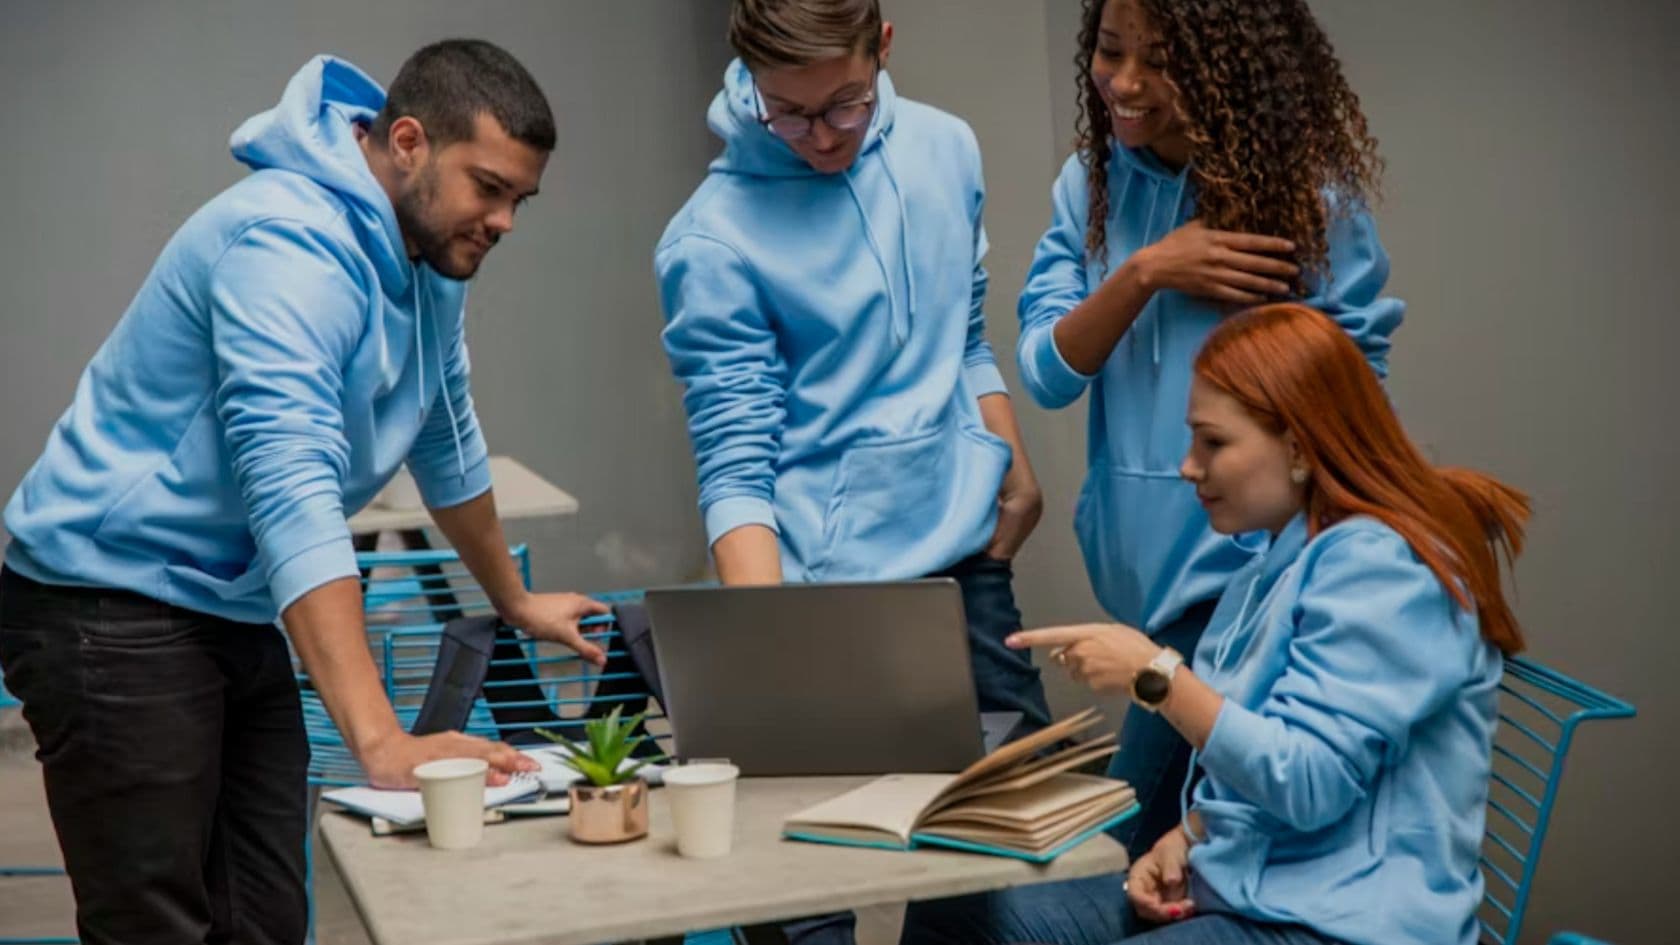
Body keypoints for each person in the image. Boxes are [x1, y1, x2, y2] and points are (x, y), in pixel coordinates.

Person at [0, 41, 604, 945]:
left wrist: (512, 599)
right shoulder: (286, 245)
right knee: (157, 924)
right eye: (489, 186)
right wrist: (383, 743)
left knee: (268, 917)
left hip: (228, 604)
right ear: (407, 141)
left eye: (520, 197)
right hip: (107, 598)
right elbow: (290, 488)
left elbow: (443, 431)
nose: (506, 219)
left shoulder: (424, 256)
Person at [913, 302, 1526, 945]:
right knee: (952, 908)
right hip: (1253, 898)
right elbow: (1271, 758)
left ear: (1297, 447)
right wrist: (1187, 837)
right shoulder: (1280, 561)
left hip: (1341, 929)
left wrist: (1155, 674)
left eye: (1213, 442)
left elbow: (1308, 782)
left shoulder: (1383, 567)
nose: (1188, 466)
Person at [1012, 0, 1405, 861]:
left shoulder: (1306, 199)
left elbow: (1354, 404)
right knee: (1153, 861)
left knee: (1109, 860)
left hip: (1240, 594)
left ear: (1230, 71)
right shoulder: (1094, 184)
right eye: (1110, 52)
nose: (1124, 83)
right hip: (1137, 589)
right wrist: (1147, 271)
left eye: (1160, 62)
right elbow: (1044, 372)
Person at [656, 0, 1052, 735]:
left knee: (1037, 819)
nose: (819, 137)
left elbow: (961, 337)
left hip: (967, 564)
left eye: (844, 105)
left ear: (884, 49)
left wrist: (1015, 470)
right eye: (788, 113)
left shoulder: (948, 148)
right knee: (844, 836)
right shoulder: (711, 241)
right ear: (750, 79)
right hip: (823, 592)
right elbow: (736, 470)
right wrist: (770, 642)